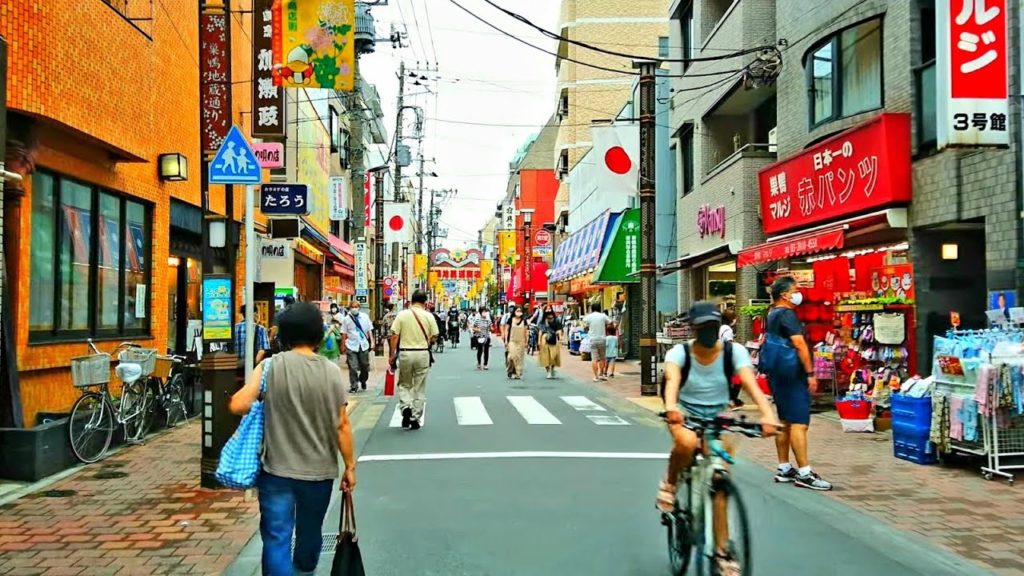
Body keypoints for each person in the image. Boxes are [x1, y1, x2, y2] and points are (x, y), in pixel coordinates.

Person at [228, 302, 355, 576]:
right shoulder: (331, 372)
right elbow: (342, 425)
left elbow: (238, 404)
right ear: (318, 334)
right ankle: (305, 571)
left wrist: (259, 398)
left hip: (276, 471)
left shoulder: (269, 367)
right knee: (310, 532)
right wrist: (350, 467)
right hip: (319, 472)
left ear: (283, 335)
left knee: (276, 536)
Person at [657, 301, 778, 576]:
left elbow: (750, 383)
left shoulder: (733, 352)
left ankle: (722, 552)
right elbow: (672, 381)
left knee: (719, 482)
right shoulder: (679, 353)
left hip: (719, 415)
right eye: (702, 328)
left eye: (713, 326)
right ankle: (670, 482)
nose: (708, 333)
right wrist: (672, 407)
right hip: (685, 413)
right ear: (693, 329)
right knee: (687, 443)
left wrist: (767, 414)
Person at [764, 276, 833, 491]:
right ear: (785, 295)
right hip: (793, 373)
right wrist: (810, 373)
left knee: (785, 421)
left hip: (777, 374)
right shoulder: (787, 314)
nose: (798, 294)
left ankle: (784, 467)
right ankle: (804, 473)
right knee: (799, 423)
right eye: (794, 291)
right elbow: (800, 344)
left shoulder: (771, 314)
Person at [389, 291, 438, 430]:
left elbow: (394, 336)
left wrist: (392, 355)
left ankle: (406, 407)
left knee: (404, 383)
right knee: (419, 386)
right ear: (425, 302)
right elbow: (435, 336)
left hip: (405, 353)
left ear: (411, 301)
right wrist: (427, 341)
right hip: (422, 353)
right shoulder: (429, 316)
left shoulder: (402, 315)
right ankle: (415, 417)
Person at [341, 302, 374, 394]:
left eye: (356, 307)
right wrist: (343, 345)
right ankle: (354, 385)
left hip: (363, 345)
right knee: (353, 367)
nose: (354, 308)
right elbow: (344, 333)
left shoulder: (365, 317)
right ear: (350, 308)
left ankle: (363, 380)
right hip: (351, 345)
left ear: (359, 307)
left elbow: (369, 330)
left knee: (365, 366)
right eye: (352, 307)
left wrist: (372, 342)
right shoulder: (346, 319)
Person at [234, 305, 270, 370]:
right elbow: (262, 351)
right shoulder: (261, 329)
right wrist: (253, 366)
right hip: (252, 368)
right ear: (255, 314)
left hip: (235, 367)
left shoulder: (234, 328)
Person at [582, 303, 611, 382]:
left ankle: (596, 376)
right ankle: (601, 374)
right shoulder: (603, 316)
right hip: (602, 339)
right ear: (600, 308)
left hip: (593, 339)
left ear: (592, 308)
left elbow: (584, 322)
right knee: (602, 358)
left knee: (594, 359)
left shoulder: (589, 316)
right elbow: (610, 322)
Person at [538, 307, 563, 379]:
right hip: (544, 339)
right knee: (545, 356)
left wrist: (560, 337)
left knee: (554, 356)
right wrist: (539, 341)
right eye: (547, 309)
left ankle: (552, 369)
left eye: (549, 309)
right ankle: (548, 371)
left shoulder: (557, 320)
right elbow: (540, 332)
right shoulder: (543, 322)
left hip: (554, 340)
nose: (548, 310)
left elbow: (559, 330)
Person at [505, 306, 529, 379]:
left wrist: (527, 341)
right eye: (517, 311)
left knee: (518, 358)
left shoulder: (524, 321)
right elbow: (507, 330)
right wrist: (506, 340)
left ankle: (517, 373)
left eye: (520, 311)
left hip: (521, 342)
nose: (519, 312)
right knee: (511, 357)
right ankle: (510, 370)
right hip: (512, 341)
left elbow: (526, 331)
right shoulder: (510, 319)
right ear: (514, 312)